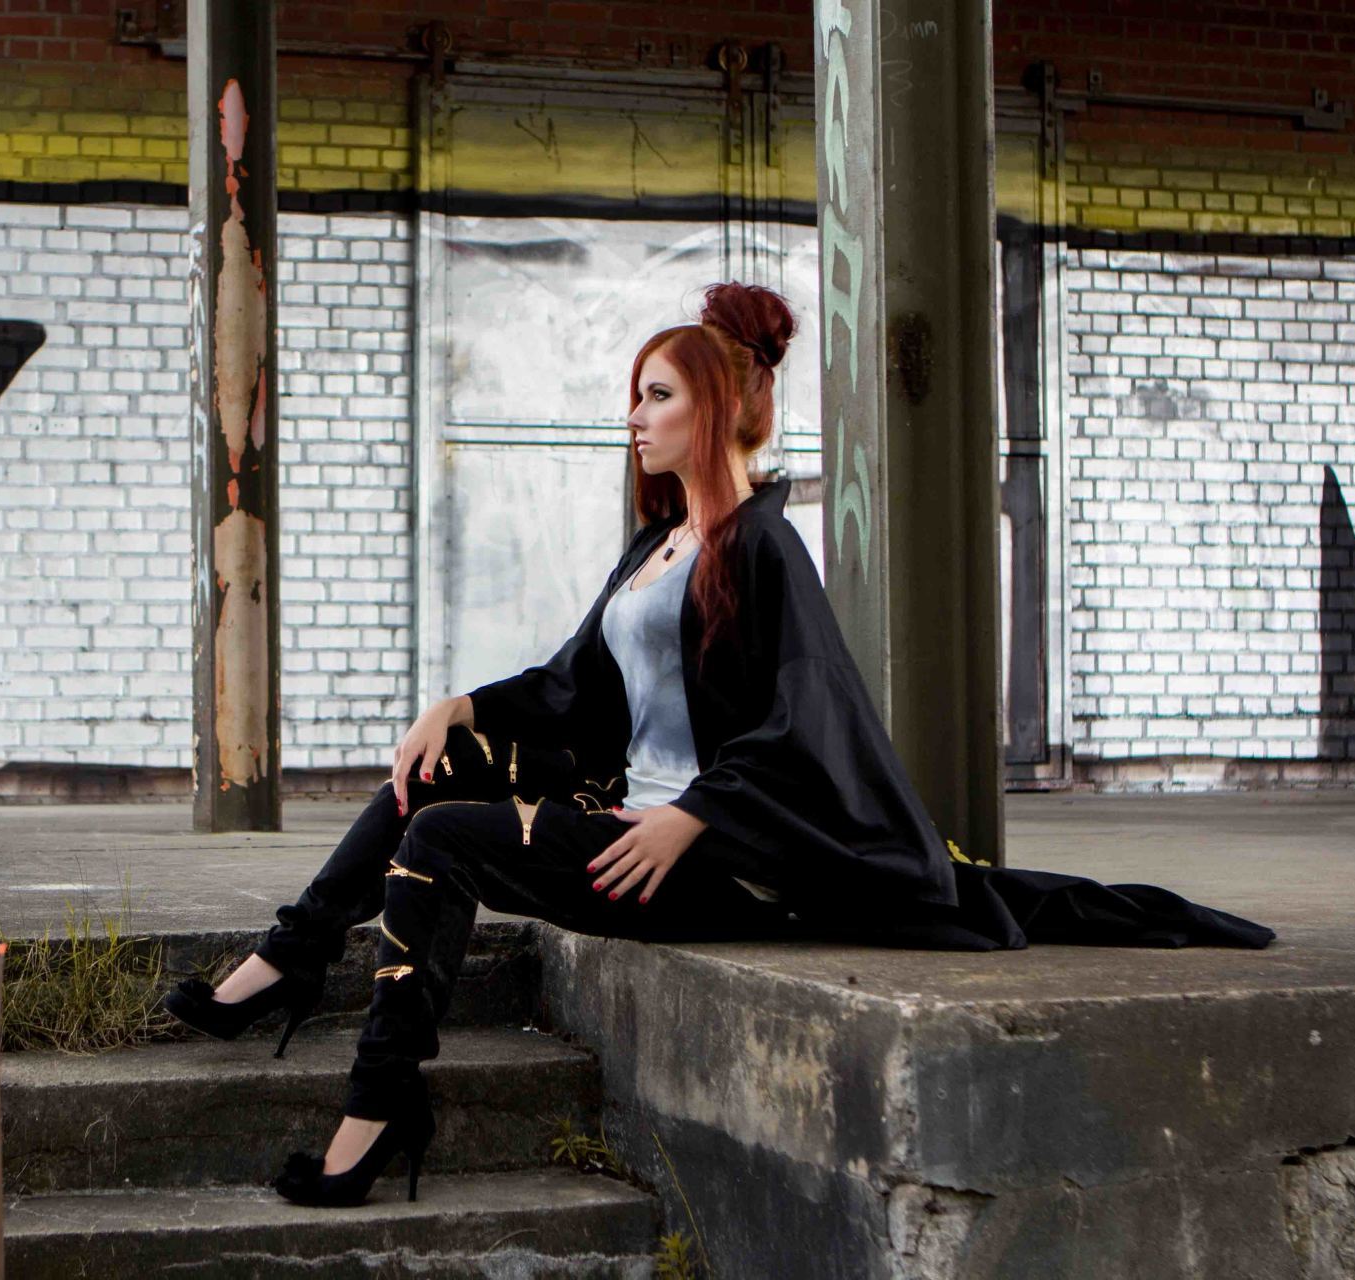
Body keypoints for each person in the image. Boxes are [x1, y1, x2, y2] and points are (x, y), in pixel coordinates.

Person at [162, 281, 1276, 1209]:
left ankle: (378, 1108)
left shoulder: (761, 544)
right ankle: (293, 956)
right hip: (626, 810)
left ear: (715, 408)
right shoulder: (656, 544)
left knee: (445, 838)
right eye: (635, 396)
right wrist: (458, 704)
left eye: (658, 395)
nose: (634, 417)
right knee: (435, 771)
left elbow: (807, 717)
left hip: (708, 857)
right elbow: (571, 690)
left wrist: (693, 814)